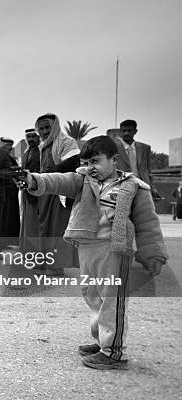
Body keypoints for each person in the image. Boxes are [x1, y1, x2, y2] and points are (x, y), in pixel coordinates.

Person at [23, 135, 167, 370]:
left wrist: (152, 254)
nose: (90, 167)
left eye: (96, 161)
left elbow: (148, 224)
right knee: (93, 296)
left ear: (115, 160)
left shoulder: (134, 187)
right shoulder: (83, 180)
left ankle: (114, 353)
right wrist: (33, 179)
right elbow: (59, 181)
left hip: (114, 251)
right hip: (88, 248)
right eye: (86, 162)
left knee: (112, 298)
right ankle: (103, 342)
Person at [35, 113, 80, 274]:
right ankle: (45, 262)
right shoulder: (43, 146)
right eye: (41, 128)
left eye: (48, 127)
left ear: (55, 127)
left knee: (58, 229)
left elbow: (73, 162)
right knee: (44, 227)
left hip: (60, 192)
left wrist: (51, 173)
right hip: (45, 193)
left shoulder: (67, 142)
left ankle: (56, 266)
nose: (45, 131)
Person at [115, 119, 159, 199]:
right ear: (120, 131)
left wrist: (152, 188)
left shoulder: (145, 148)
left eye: (129, 130)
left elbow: (148, 170)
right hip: (121, 187)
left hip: (142, 186)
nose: (126, 133)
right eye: (124, 130)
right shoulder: (114, 147)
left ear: (135, 131)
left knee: (143, 211)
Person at [19, 128, 41, 252]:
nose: (31, 139)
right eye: (29, 137)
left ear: (38, 138)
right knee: (26, 220)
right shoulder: (27, 152)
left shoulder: (41, 152)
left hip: (36, 191)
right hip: (26, 191)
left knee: (33, 222)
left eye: (33, 136)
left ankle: (34, 251)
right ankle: (26, 249)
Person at [0, 137, 20, 247]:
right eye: (7, 148)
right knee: (0, 220)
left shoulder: (11, 159)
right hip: (0, 193)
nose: (9, 151)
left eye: (10, 148)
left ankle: (7, 241)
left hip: (10, 193)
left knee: (8, 218)